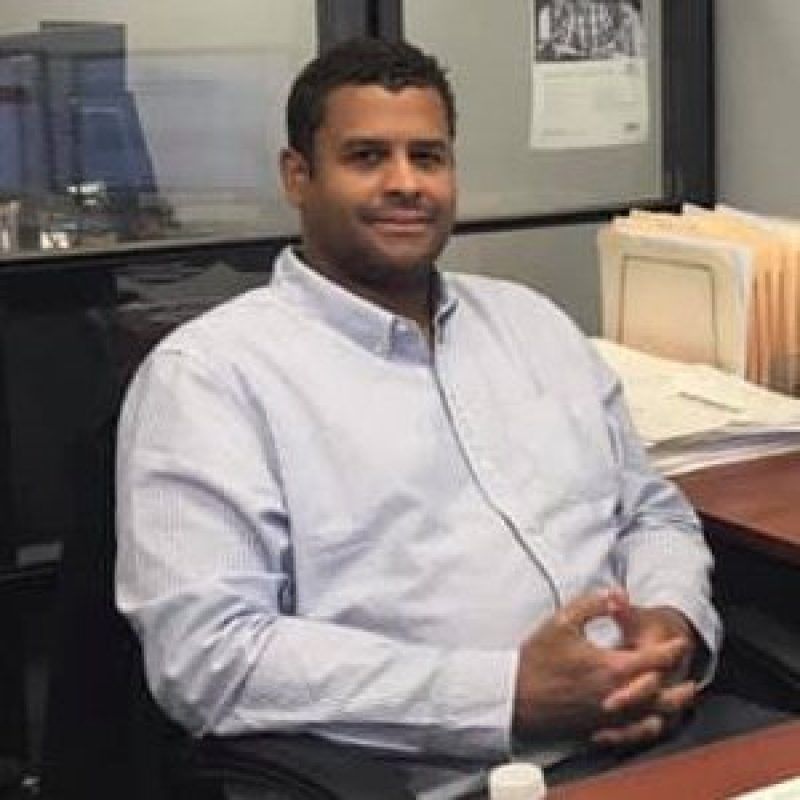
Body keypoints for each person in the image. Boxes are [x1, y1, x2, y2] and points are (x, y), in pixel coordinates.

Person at [115, 37, 776, 791]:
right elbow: (208, 656)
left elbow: (650, 511)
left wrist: (672, 626)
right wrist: (505, 694)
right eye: (367, 157)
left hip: (657, 734)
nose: (406, 184)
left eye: (428, 157)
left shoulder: (535, 325)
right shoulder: (211, 378)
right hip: (438, 778)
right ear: (297, 176)